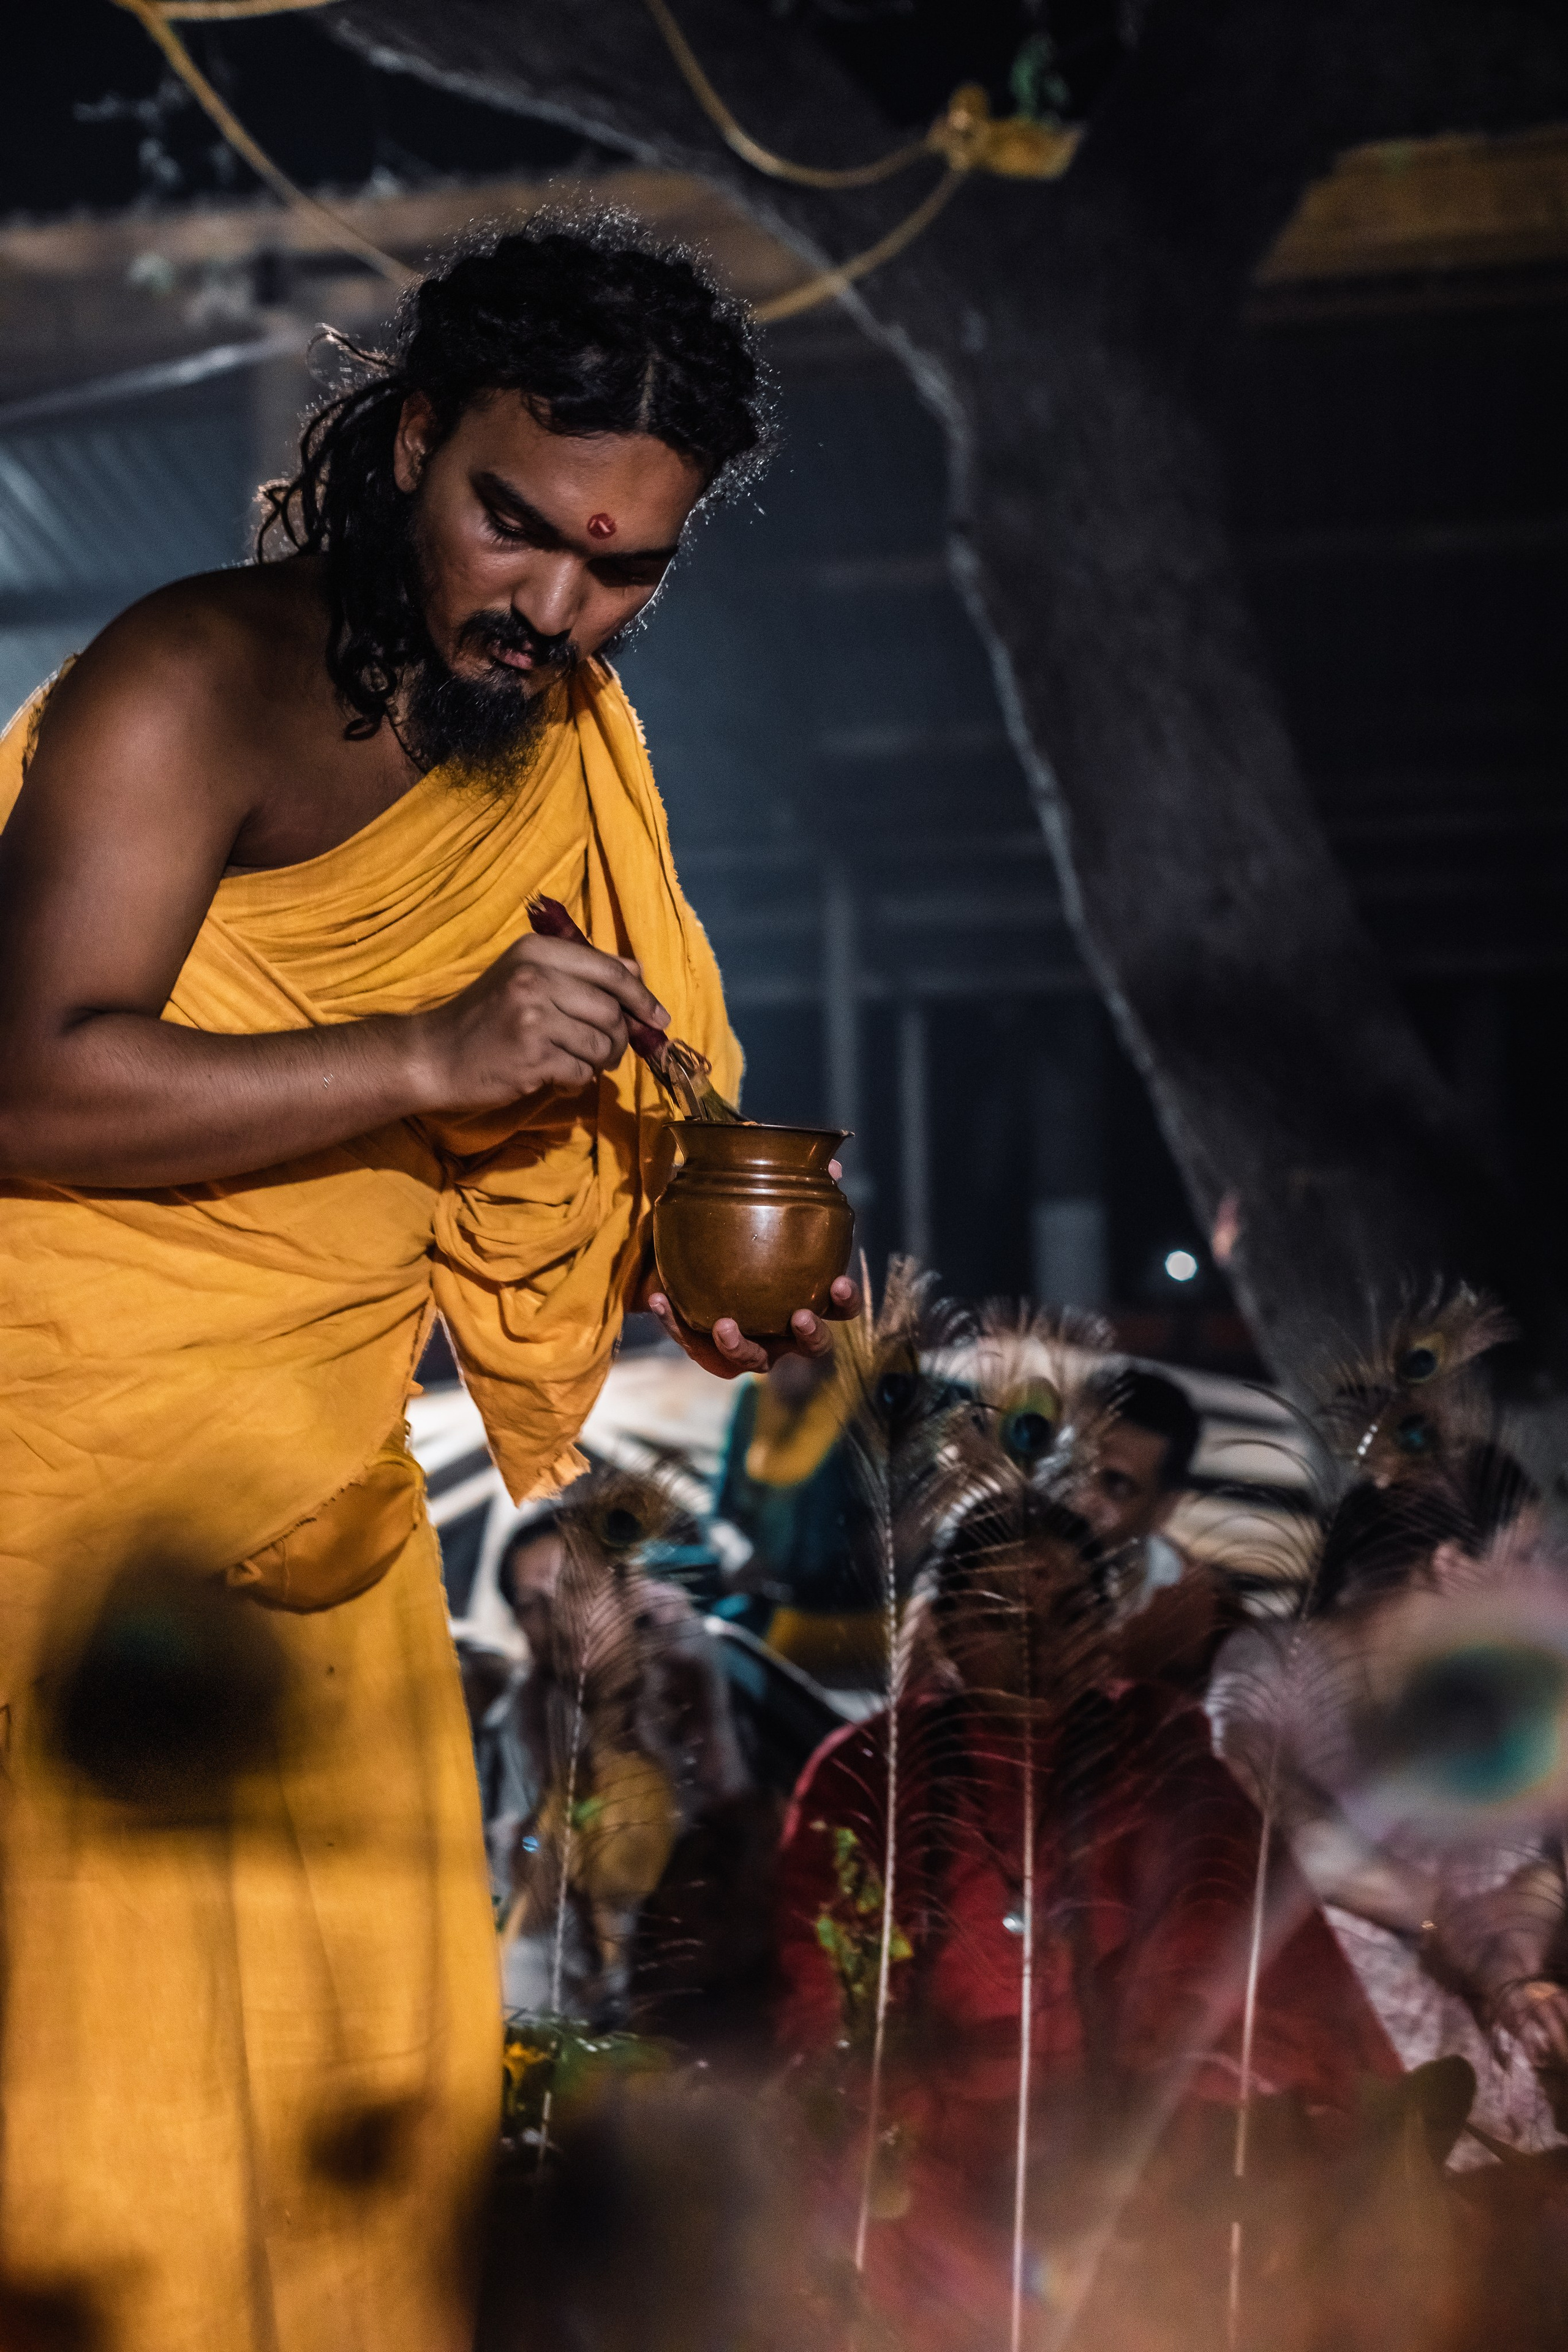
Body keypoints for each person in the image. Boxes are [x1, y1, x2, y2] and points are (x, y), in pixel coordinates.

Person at [0, 219, 857, 2352]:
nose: (559, 609)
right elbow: (28, 1081)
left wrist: (693, 1270)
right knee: (99, 2147)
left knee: (350, 2122)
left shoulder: (557, 743)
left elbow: (549, 1120)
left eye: (624, 565)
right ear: (406, 447)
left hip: (325, 1506)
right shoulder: (187, 679)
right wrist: (426, 1056)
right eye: (519, 527)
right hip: (75, 1516)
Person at [773, 1495, 1400, 2350]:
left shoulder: (1161, 1742)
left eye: (1069, 1613)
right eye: (1001, 1618)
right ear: (949, 1634)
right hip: (934, 2151)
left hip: (1139, 2136)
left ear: (1106, 1628)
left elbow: (1225, 1942)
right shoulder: (869, 1773)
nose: (1039, 1645)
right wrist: (902, 2116)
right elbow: (824, 1993)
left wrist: (1151, 2115)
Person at [1208, 1448, 1566, 2160]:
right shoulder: (1275, 1664)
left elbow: (1520, 1876)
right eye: (1523, 1554)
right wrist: (1443, 1923)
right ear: (1451, 1564)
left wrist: (1515, 1977)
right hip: (1320, 2085)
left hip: (1469, 2101)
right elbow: (1277, 1815)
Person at [1074, 1363, 1243, 1694]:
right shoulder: (982, 1565)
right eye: (1072, 1468)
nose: (1080, 1498)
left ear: (1163, 1509)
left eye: (1117, 1485)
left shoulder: (1201, 1623)